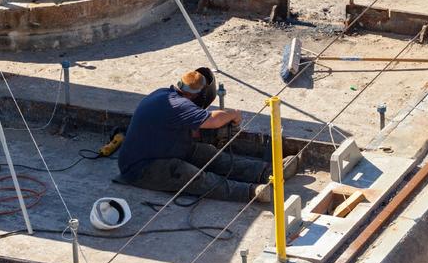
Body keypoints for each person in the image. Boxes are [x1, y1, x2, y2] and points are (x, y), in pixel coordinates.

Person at [115, 69, 298, 203]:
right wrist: (234, 114)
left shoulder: (164, 93)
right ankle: (251, 192)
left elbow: (189, 127)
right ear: (198, 95)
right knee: (193, 175)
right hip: (141, 169)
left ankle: (267, 171)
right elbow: (213, 120)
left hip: (167, 149)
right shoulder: (180, 105)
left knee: (210, 155)